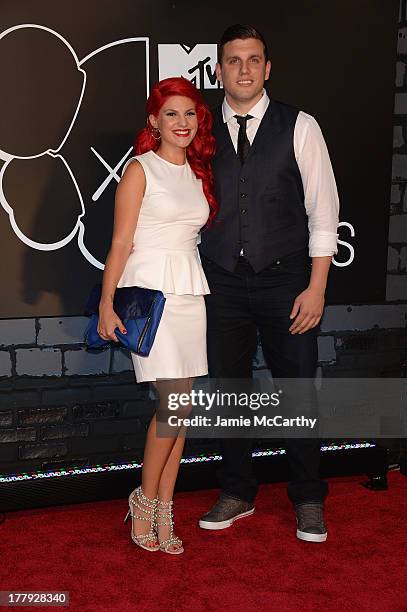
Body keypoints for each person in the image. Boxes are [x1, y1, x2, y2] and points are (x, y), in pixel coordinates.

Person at [199, 24, 340, 542]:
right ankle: (237, 490)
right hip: (222, 282)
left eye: (253, 59)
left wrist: (317, 286)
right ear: (218, 69)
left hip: (287, 282)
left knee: (298, 393)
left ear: (267, 68)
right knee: (229, 393)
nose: (243, 69)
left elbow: (324, 210)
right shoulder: (201, 129)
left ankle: (307, 497)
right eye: (233, 60)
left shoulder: (300, 126)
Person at [98, 77, 216, 554]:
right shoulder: (139, 170)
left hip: (191, 293)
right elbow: (121, 242)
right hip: (151, 294)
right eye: (171, 113)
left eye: (190, 114)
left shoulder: (198, 174)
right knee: (172, 405)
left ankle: (165, 508)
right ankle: (145, 500)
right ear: (154, 121)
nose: (181, 122)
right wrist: (107, 303)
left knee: (181, 409)